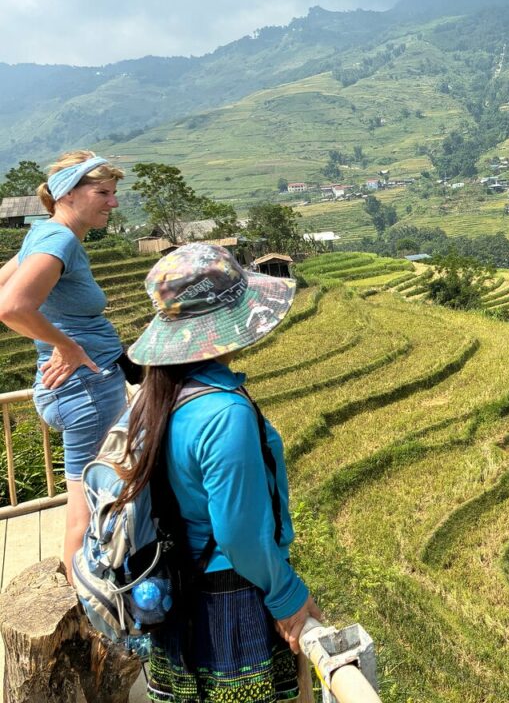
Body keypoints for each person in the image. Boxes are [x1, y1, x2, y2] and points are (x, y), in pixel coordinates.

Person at [117, 243, 320, 702]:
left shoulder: (158, 396)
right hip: (228, 600)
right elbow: (240, 534)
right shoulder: (223, 413)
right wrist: (287, 595)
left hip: (178, 592)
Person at [0, 150, 128, 580]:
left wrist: (52, 337)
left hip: (72, 389)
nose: (112, 202)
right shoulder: (58, 240)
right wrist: (66, 345)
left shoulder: (43, 233)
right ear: (67, 194)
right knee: (85, 509)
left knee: (94, 498)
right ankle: (85, 604)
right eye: (103, 192)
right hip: (85, 390)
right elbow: (12, 305)